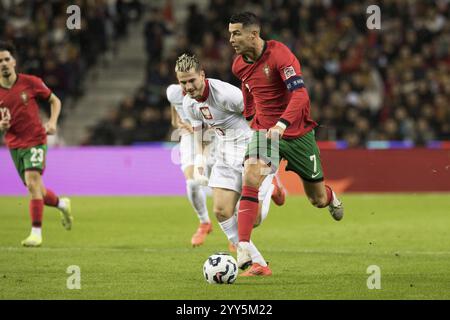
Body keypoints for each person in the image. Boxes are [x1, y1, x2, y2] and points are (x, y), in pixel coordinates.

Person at [228, 12, 344, 268]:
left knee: (316, 200)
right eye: (230, 33)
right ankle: (244, 246)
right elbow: (247, 88)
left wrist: (282, 123)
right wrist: (250, 116)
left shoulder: (280, 55)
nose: (231, 39)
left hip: (297, 132)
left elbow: (300, 95)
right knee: (250, 175)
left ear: (253, 34)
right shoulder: (238, 65)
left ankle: (330, 195)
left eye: (236, 33)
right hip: (264, 132)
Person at [176, 53, 281, 276]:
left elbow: (259, 116)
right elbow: (199, 132)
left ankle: (271, 185)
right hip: (225, 152)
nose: (188, 86)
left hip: (253, 150)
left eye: (191, 80)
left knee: (254, 220)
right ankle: (258, 264)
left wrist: (265, 155)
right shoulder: (188, 103)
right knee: (222, 211)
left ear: (202, 75)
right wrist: (201, 160)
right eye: (183, 82)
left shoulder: (226, 94)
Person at [0, 41, 72, 247]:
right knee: (37, 189)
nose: (3, 64)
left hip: (35, 140)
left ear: (14, 62)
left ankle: (36, 233)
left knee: (32, 184)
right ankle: (62, 204)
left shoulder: (30, 83)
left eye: (7, 59)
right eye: (0, 61)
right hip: (14, 145)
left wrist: (52, 122)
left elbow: (55, 100)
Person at [166, 83, 215, 247]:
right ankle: (204, 222)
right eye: (182, 80)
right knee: (192, 183)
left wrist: (198, 128)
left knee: (224, 183)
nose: (186, 84)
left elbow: (216, 123)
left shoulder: (209, 92)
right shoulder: (173, 93)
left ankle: (235, 235)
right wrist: (181, 125)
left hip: (211, 138)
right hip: (189, 138)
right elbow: (175, 120)